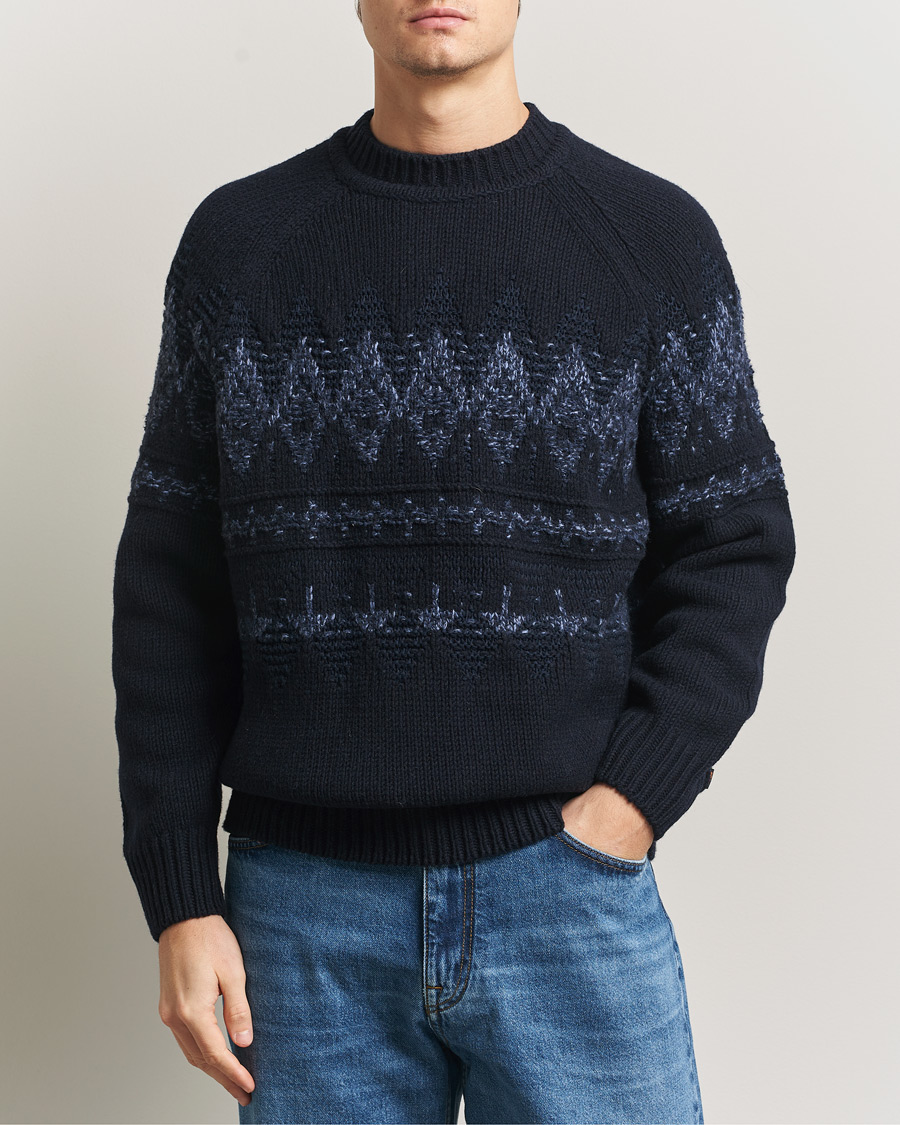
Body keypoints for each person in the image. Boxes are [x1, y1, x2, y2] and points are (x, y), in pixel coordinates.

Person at [111, 1, 796, 1122]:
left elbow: (734, 545)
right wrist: (179, 891)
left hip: (566, 891)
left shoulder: (652, 237)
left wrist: (631, 801)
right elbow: (168, 589)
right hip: (305, 912)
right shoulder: (240, 244)